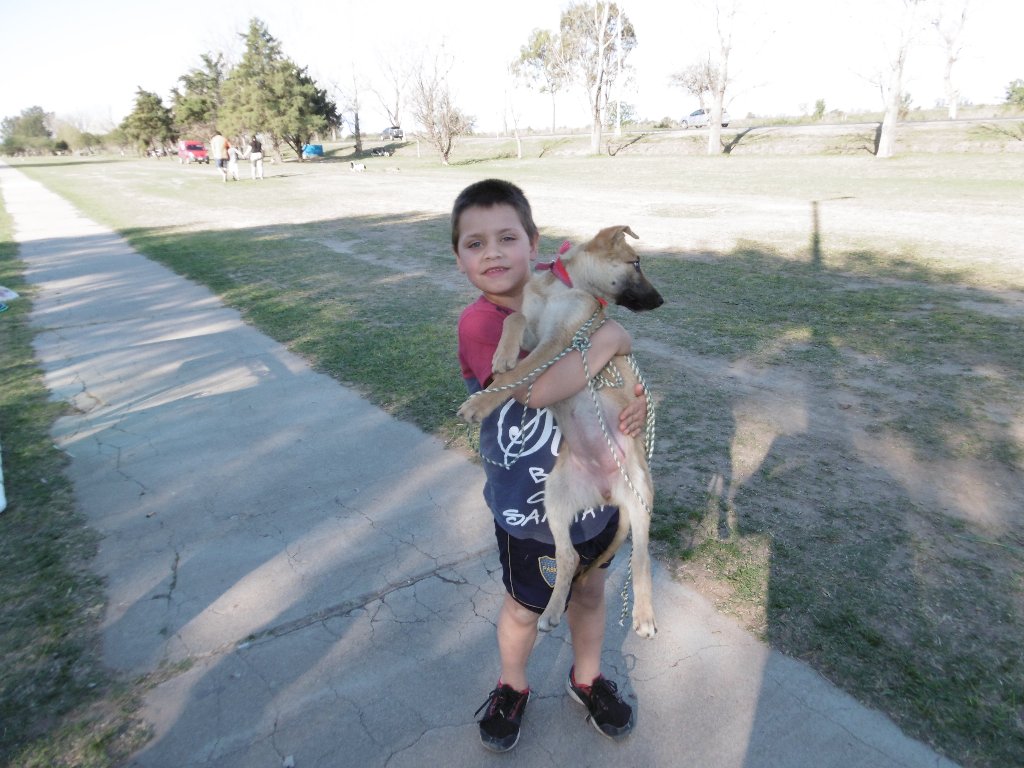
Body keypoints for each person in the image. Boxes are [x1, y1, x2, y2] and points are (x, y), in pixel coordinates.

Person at [452, 179, 647, 752]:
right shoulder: (482, 324)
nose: (493, 253)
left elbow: (614, 379)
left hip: (596, 485)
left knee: (589, 591)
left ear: (533, 243)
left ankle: (587, 678)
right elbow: (534, 391)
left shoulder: (569, 299)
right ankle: (512, 686)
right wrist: (612, 338)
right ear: (459, 258)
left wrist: (634, 408)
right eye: (475, 244)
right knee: (523, 607)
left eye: (507, 238)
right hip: (529, 503)